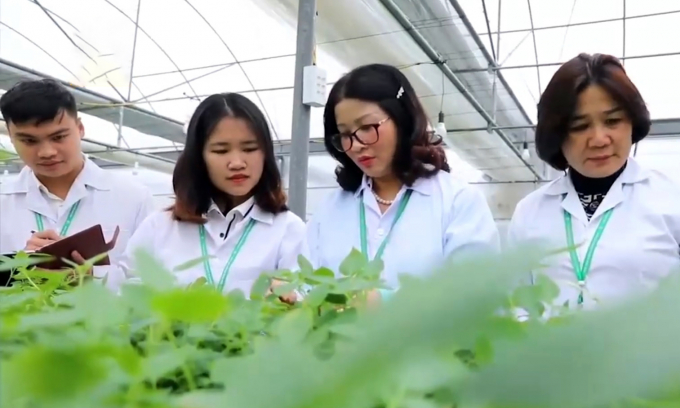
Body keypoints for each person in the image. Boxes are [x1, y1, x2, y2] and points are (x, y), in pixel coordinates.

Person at [306, 63, 500, 299]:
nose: (356, 145)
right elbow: (308, 284)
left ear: (402, 119)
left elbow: (476, 295)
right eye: (345, 135)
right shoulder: (330, 210)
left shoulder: (457, 202)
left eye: (367, 127)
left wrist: (387, 305)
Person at [507, 53, 680, 310]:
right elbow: (515, 303)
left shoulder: (670, 202)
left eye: (612, 121)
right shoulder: (530, 212)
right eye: (580, 126)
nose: (599, 139)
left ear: (632, 123)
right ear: (556, 135)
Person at [120, 93, 308, 299]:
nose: (237, 162)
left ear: (266, 154)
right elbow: (127, 291)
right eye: (221, 151)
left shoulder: (288, 230)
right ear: (198, 157)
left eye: (250, 149)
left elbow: (307, 300)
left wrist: (293, 298)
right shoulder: (160, 227)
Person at [0, 79, 155, 290]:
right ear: (11, 137)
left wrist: (93, 278)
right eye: (29, 141)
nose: (47, 152)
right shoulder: (3, 200)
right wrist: (19, 268)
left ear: (80, 128)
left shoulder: (133, 198)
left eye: (58, 137)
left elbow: (150, 281)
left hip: (104, 323)